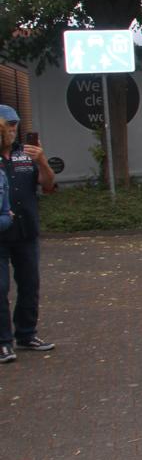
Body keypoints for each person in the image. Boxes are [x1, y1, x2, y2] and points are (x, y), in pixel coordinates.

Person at [0, 108, 46, 364]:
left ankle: (27, 334)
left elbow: (48, 185)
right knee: (0, 287)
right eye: (7, 125)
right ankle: (3, 342)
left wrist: (42, 160)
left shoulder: (26, 154)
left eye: (14, 125)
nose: (11, 129)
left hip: (26, 230)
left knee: (30, 284)